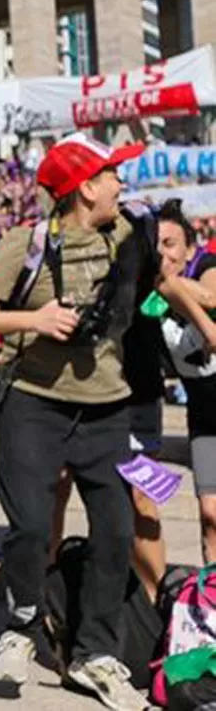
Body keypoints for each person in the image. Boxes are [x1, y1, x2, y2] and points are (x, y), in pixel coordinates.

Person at [0, 133, 216, 710]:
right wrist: (35, 318)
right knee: (28, 524)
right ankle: (21, 626)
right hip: (33, 403)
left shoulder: (128, 234)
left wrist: (205, 316)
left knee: (117, 530)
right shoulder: (25, 243)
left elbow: (167, 280)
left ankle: (94, 654)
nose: (122, 184)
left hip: (107, 408)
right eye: (112, 175)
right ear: (84, 187)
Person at [153, 200, 216, 562]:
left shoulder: (206, 267)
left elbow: (210, 294)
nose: (163, 253)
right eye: (156, 245)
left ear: (190, 248)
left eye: (171, 244)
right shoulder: (150, 296)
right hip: (205, 416)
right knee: (210, 515)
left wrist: (168, 283)